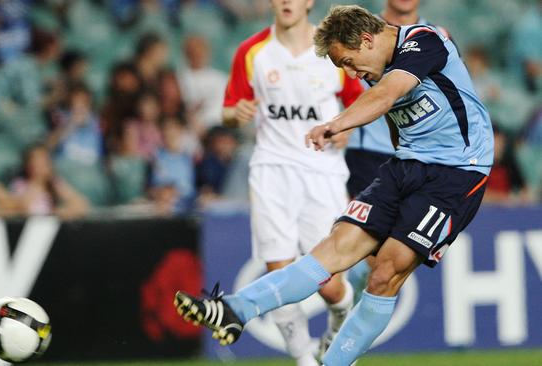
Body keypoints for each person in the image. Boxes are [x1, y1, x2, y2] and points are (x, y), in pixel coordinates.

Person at [175, 5, 494, 366]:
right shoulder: (373, 67)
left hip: (456, 173)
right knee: (333, 248)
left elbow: (387, 96)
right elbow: (394, 115)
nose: (349, 72)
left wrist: (336, 124)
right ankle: (235, 308)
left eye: (347, 61)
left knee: (386, 271)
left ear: (367, 39)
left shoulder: (425, 41)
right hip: (406, 164)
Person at [215, 1, 364, 365]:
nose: (286, 2)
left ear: (309, 2)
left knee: (329, 284)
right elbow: (228, 110)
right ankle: (304, 359)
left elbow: (361, 102)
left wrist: (347, 127)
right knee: (277, 274)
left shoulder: (332, 49)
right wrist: (237, 114)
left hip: (322, 172)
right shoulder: (252, 52)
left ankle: (341, 316)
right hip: (272, 171)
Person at [344, 0, 453, 304]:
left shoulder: (436, 34)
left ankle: (346, 318)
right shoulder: (361, 33)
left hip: (421, 158)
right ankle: (344, 323)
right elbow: (338, 83)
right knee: (368, 249)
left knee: (391, 258)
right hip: (368, 152)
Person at [11, 144, 89, 219]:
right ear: (28, 165)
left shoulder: (54, 183)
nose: (40, 165)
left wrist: (60, 212)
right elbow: (21, 208)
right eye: (36, 161)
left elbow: (81, 205)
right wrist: (37, 181)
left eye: (43, 161)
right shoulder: (20, 184)